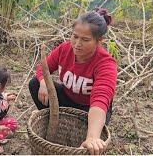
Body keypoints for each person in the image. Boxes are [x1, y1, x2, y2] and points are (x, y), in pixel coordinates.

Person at [29, 8, 117, 155]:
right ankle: (51, 120)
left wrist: (92, 137)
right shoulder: (64, 49)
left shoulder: (105, 63)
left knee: (84, 141)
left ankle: (90, 132)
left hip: (89, 108)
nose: (77, 44)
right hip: (68, 98)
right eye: (75, 36)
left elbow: (100, 100)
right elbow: (42, 67)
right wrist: (44, 82)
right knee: (35, 84)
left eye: (85, 40)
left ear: (99, 40)